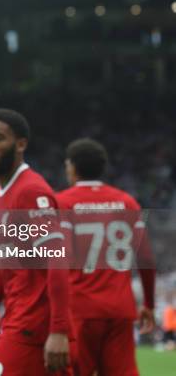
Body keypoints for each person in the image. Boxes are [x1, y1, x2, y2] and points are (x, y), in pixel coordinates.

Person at [0, 108, 73, 376]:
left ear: (20, 144)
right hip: (19, 321)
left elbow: (57, 262)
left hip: (33, 327)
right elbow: (2, 270)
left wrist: (58, 330)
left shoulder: (32, 191)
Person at [56, 138, 155, 376]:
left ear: (72, 167)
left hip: (79, 309)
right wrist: (149, 304)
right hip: (119, 310)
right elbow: (146, 259)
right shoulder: (127, 202)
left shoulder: (61, 202)